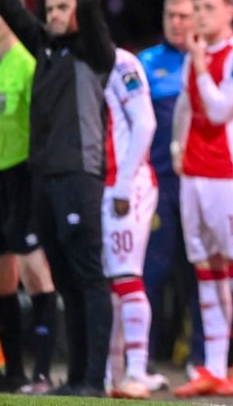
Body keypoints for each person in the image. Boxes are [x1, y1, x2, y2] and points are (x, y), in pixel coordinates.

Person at [0, 0, 116, 397]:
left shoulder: (95, 51)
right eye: (51, 7)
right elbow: (11, 9)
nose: (55, 15)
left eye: (64, 7)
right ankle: (76, 376)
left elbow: (93, 11)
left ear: (78, 9)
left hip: (78, 173)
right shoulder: (44, 46)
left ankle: (94, 378)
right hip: (44, 177)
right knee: (64, 279)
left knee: (87, 275)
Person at [170, 0, 233, 398]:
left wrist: (196, 60)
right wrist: (177, 145)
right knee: (206, 272)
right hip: (194, 174)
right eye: (198, 9)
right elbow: (186, 107)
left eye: (209, 7)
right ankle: (212, 366)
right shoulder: (200, 55)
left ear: (229, 11)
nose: (201, 16)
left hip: (231, 174)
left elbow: (218, 107)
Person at [0, 0, 58, 395]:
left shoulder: (28, 65)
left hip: (22, 177)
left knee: (36, 273)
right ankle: (12, 372)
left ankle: (42, 373)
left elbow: (43, 127)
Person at [137, 0, 205, 375]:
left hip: (200, 181)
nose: (177, 23)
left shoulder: (207, 60)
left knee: (197, 270)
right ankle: (142, 355)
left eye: (184, 15)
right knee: (153, 271)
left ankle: (200, 356)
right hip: (160, 183)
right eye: (171, 15)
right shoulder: (146, 63)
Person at [102, 48, 169, 399]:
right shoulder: (72, 60)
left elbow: (145, 122)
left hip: (126, 184)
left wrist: (124, 182)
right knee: (109, 281)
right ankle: (110, 375)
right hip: (97, 184)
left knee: (126, 277)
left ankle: (136, 371)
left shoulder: (123, 63)